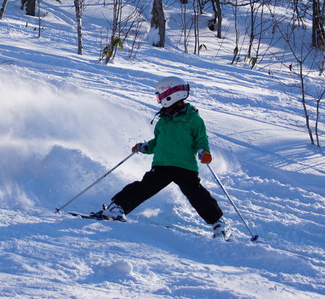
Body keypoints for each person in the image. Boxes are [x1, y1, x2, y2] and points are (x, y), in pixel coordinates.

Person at [94, 77, 229, 239]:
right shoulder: (163, 120)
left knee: (196, 194)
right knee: (144, 187)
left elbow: (201, 140)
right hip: (162, 164)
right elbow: (158, 142)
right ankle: (117, 207)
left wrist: (203, 152)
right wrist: (145, 147)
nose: (159, 100)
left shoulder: (193, 119)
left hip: (185, 165)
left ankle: (218, 223)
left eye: (161, 95)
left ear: (172, 95)